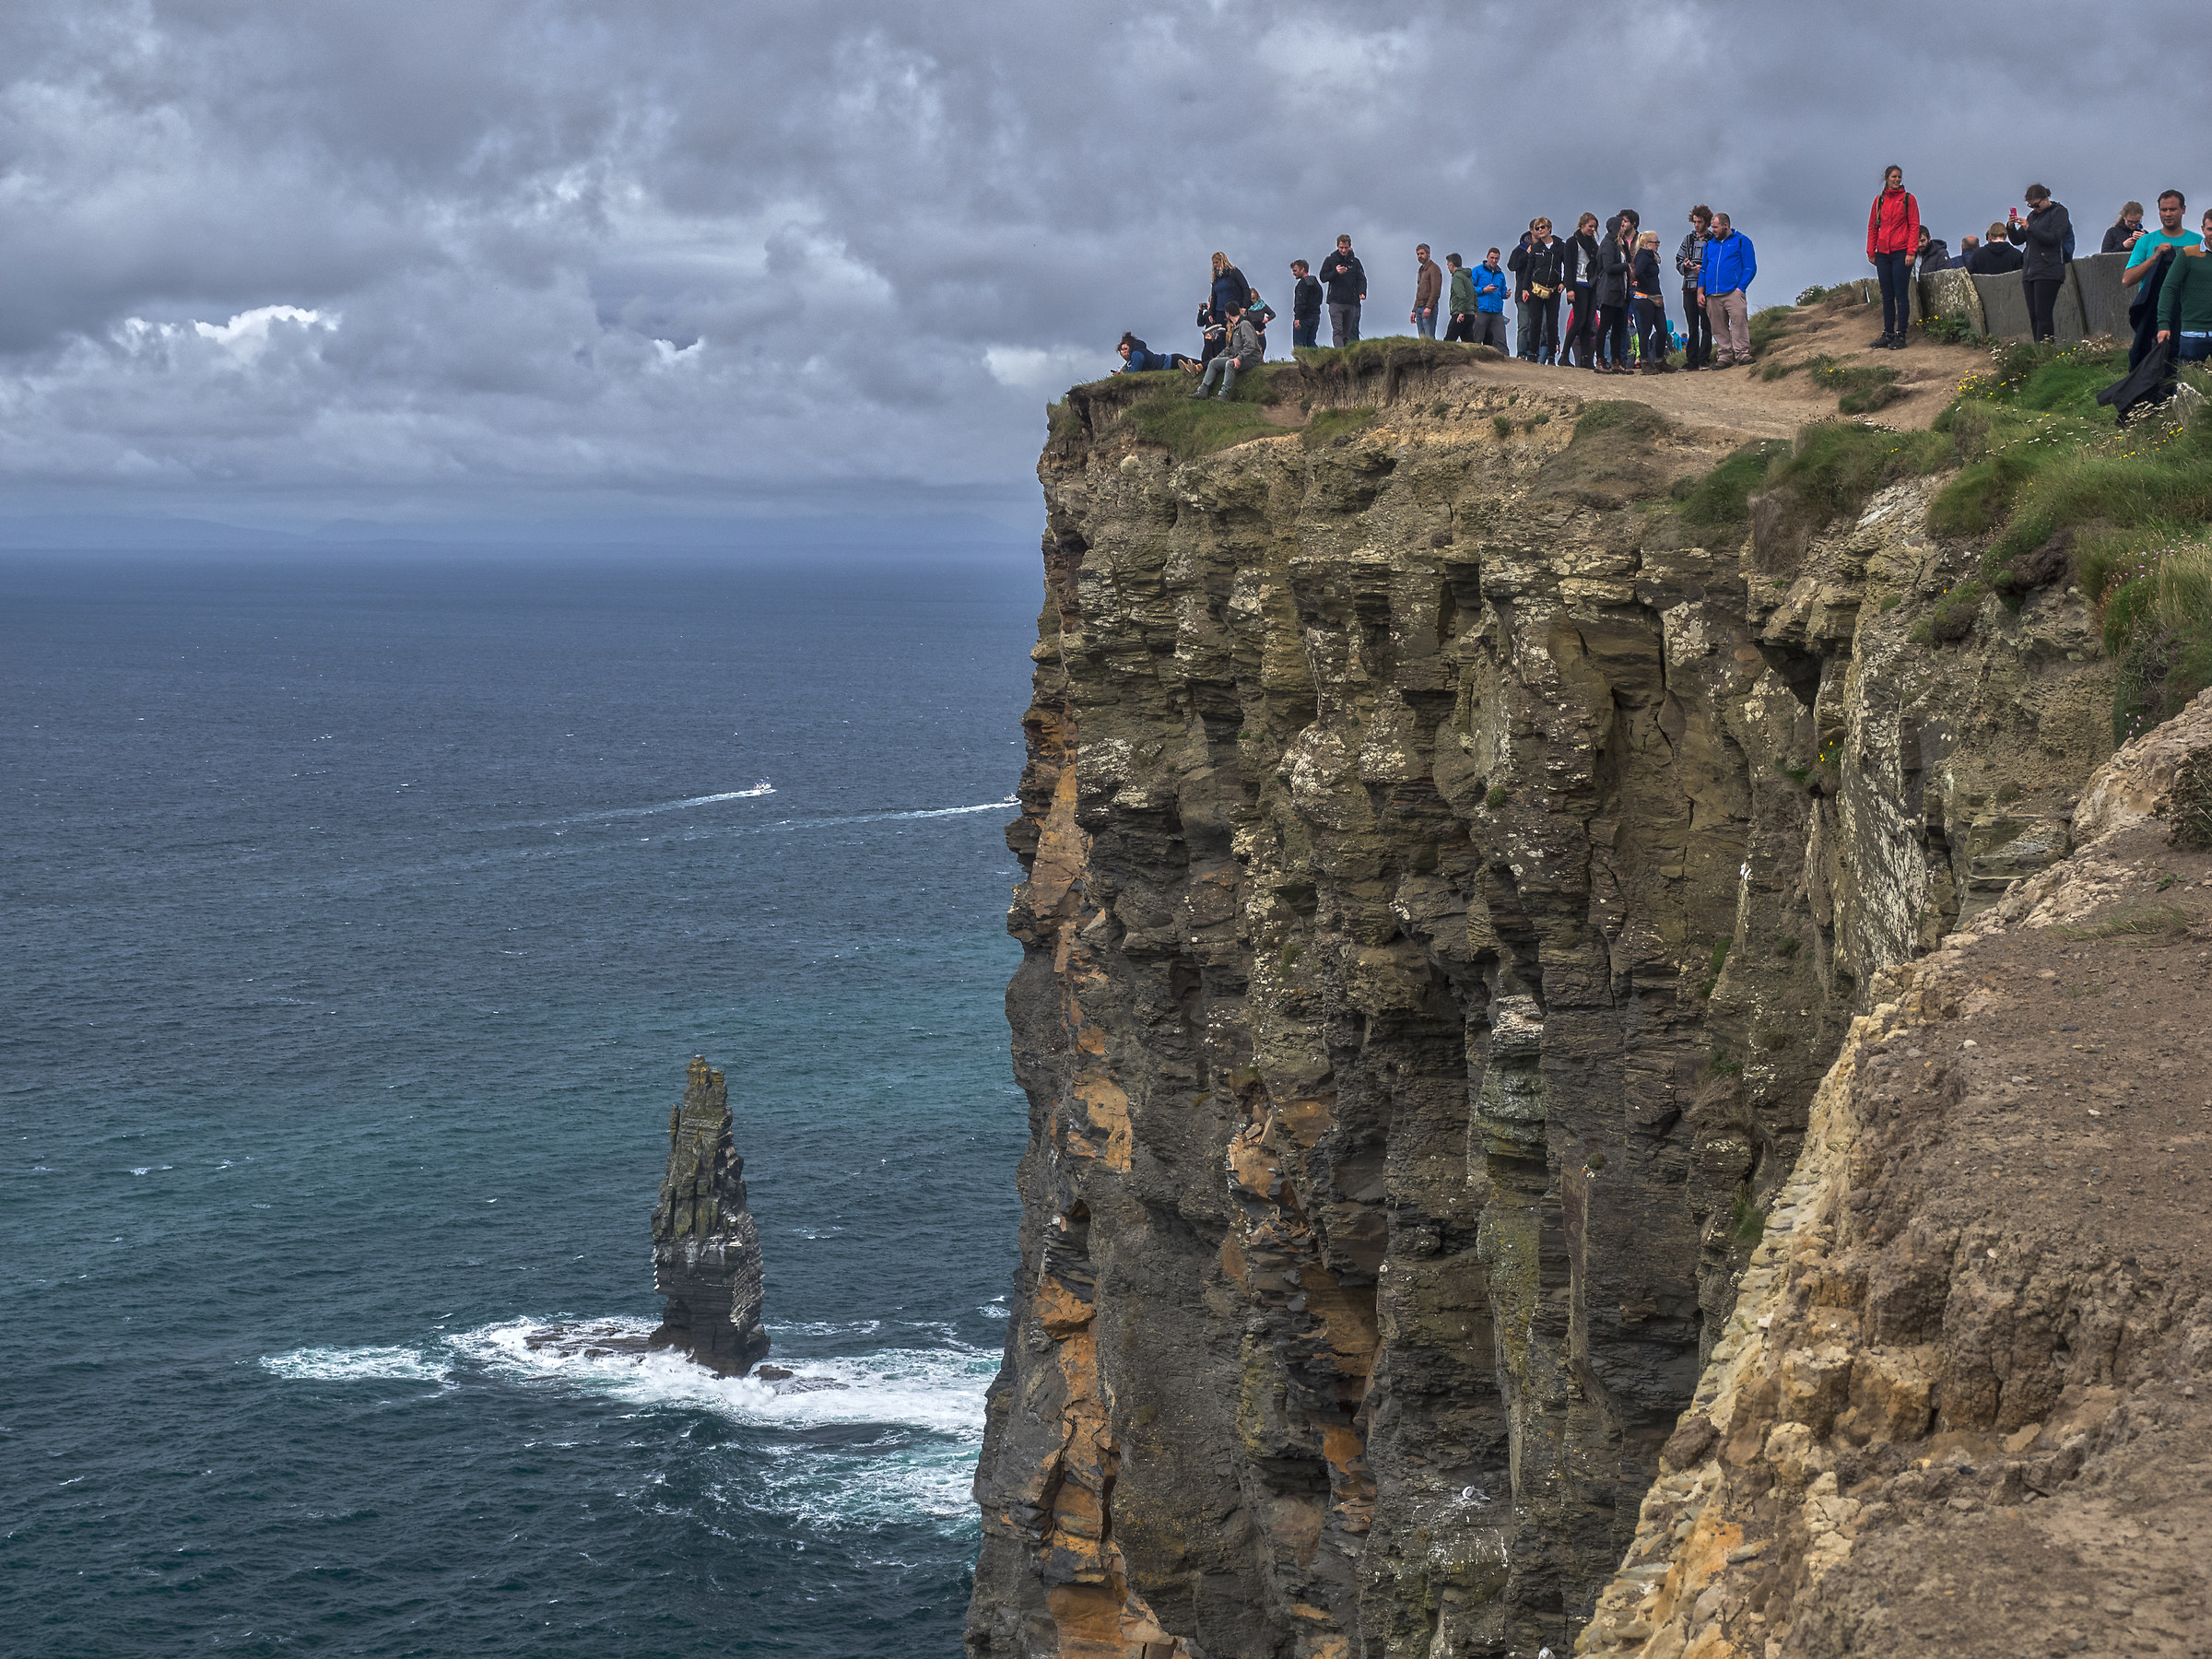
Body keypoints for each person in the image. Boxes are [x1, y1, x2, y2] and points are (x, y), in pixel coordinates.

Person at [2124, 191, 2198, 369]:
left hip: (2189, 314)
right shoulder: (2146, 241)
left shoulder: (2197, 241)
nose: (2167, 214)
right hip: (2154, 314)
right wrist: (2155, 257)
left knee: (2187, 366)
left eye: (2172, 209)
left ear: (2183, 210)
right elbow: (2127, 279)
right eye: (2163, 210)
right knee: (2151, 366)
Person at [2006, 185, 2072, 343]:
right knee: (2034, 316)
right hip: (2030, 271)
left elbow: (2054, 238)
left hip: (2050, 269)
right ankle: (2038, 352)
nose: (2034, 208)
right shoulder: (2033, 216)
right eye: (2031, 205)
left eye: (2036, 204)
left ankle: (2046, 352)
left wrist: (2030, 228)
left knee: (2043, 314)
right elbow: (2017, 241)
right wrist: (2011, 227)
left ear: (2046, 198)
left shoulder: (2059, 212)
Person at [1865, 164, 1919, 349]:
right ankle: (1887, 333)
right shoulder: (1879, 201)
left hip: (1901, 252)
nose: (1897, 180)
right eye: (1894, 177)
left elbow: (1914, 226)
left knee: (1901, 295)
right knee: (1887, 295)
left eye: (1899, 177)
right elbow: (1873, 226)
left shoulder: (1908, 199)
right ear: (1886, 178)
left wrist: (1911, 251)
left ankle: (1901, 334)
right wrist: (1871, 251)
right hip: (1883, 254)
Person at [1698, 212, 1758, 367]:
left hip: (1733, 292)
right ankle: (1724, 356)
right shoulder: (1710, 245)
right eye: (1712, 227)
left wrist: (1740, 288)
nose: (1713, 230)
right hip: (1712, 294)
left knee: (1738, 323)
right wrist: (1700, 291)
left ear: (1726, 225)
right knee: (1717, 327)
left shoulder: (1742, 241)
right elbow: (1704, 269)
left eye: (1716, 227)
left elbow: (1750, 267)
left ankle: (1742, 353)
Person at [2157, 211, 2212, 365]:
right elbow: (2168, 288)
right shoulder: (2188, 254)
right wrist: (2163, 324)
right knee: (2187, 384)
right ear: (2203, 229)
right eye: (2210, 229)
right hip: (2192, 334)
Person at [1517, 218, 1566, 365]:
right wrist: (1525, 289)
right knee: (1535, 322)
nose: (1540, 230)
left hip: (1554, 290)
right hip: (1536, 289)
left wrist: (1564, 283)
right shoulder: (1536, 248)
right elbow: (1529, 270)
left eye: (1542, 227)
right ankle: (1532, 353)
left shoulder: (1560, 246)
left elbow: (1568, 266)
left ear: (1549, 228)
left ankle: (1551, 356)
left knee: (1552, 323)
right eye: (1537, 228)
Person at [1191, 305, 1264, 398]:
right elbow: (1230, 348)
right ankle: (1202, 391)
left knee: (1230, 364)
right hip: (1238, 356)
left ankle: (1223, 394)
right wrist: (1218, 357)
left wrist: (1238, 358)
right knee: (1213, 363)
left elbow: (1250, 345)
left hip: (1251, 358)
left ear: (1228, 314)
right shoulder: (1235, 326)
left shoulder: (1244, 324)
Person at [1593, 213, 1634, 374]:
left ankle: (1617, 361)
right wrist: (1625, 267)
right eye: (1622, 226)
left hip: (1620, 292)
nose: (1624, 229)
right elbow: (1609, 267)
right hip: (1609, 291)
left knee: (1618, 327)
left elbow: (1628, 260)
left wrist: (1625, 249)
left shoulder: (1619, 244)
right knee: (1604, 327)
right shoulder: (1607, 244)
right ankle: (1601, 359)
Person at [1561, 213, 1603, 368]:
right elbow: (1569, 266)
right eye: (1590, 226)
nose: (1592, 229)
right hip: (1578, 284)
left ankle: (1586, 358)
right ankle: (1564, 355)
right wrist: (1569, 289)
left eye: (1594, 227)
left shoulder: (1593, 244)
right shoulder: (1572, 242)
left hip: (1591, 284)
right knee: (1579, 320)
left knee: (1588, 322)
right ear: (1582, 225)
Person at [1677, 206, 1713, 370]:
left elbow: (1716, 262)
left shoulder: (1712, 239)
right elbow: (1678, 260)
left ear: (1707, 222)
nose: (1697, 225)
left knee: (1706, 323)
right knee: (1692, 325)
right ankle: (1691, 359)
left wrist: (1704, 268)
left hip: (1706, 287)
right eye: (1695, 222)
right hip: (1689, 286)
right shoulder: (1688, 239)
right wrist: (1686, 266)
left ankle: (1704, 358)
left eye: (1700, 222)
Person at [1319, 234, 1366, 347]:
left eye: (1346, 247)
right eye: (1341, 248)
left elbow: (1362, 279)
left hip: (1351, 302)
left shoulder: (1355, 262)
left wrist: (1362, 292)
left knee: (1347, 333)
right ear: (1337, 247)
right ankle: (1339, 354)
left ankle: (1346, 355)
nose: (1343, 250)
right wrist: (1335, 272)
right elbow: (1323, 277)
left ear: (1350, 246)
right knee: (1337, 330)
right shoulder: (1330, 260)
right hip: (1335, 302)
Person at [1633, 231, 1670, 373]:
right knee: (1646, 331)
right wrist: (1646, 285)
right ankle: (1645, 362)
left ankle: (1660, 360)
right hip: (1645, 298)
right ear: (1647, 244)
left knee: (1662, 330)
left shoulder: (1652, 257)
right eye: (1656, 242)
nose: (1658, 245)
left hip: (1656, 297)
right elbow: (1639, 272)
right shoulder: (1643, 255)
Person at [1508, 224, 1539, 359]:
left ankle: (1533, 353)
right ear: (1531, 230)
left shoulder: (1544, 248)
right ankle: (1521, 353)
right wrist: (1526, 255)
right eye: (1537, 228)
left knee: (1537, 325)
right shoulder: (1520, 248)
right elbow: (1511, 266)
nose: (1540, 231)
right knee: (1524, 325)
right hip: (1522, 293)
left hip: (1540, 293)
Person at [1115, 334, 1196, 373]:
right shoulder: (1131, 362)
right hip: (1170, 361)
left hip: (1171, 361)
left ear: (1131, 347)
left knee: (1199, 364)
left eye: (1125, 349)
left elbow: (1134, 371)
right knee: (1194, 367)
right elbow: (1127, 369)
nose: (1124, 352)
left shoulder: (1136, 354)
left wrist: (1124, 375)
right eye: (1121, 350)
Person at [1208, 253, 1251, 327]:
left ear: (1222, 261)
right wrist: (1211, 313)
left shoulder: (1234, 272)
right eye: (1213, 263)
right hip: (1220, 313)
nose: (1215, 265)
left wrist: (1245, 306)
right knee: (1222, 336)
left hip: (1234, 310)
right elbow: (1214, 297)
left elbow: (1245, 288)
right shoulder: (1216, 279)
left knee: (1235, 334)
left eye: (1216, 262)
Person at [1288, 260, 1324, 349]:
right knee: (1311, 342)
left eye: (1295, 270)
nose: (1293, 273)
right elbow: (1320, 299)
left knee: (1299, 344)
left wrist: (1297, 318)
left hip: (1303, 318)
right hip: (1315, 316)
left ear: (1302, 269)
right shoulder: (1316, 283)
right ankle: (1316, 360)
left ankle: (1302, 362)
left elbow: (1300, 302)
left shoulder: (1302, 284)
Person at [1412, 244, 1442, 339]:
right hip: (1419, 307)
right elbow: (1419, 291)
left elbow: (1436, 290)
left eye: (1422, 253)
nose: (1420, 256)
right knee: (1422, 338)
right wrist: (1414, 310)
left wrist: (1429, 307)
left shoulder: (1434, 268)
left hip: (1428, 308)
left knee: (1429, 338)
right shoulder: (1421, 270)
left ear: (1428, 254)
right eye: (1418, 254)